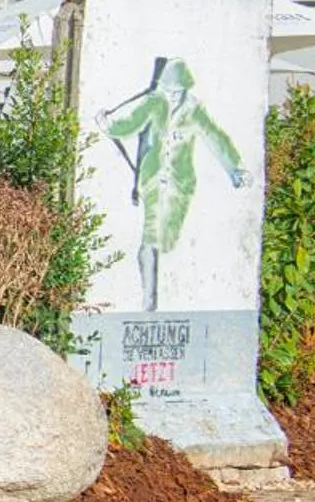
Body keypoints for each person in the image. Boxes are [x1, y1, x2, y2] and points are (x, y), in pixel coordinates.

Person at [105, 57, 246, 312]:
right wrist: (109, 124)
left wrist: (235, 169)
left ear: (185, 90)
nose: (170, 97)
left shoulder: (194, 110)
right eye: (167, 91)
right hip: (152, 180)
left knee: (168, 240)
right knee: (150, 238)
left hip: (180, 182)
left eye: (176, 92)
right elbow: (130, 124)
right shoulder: (153, 103)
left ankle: (166, 290)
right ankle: (149, 299)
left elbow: (215, 137)